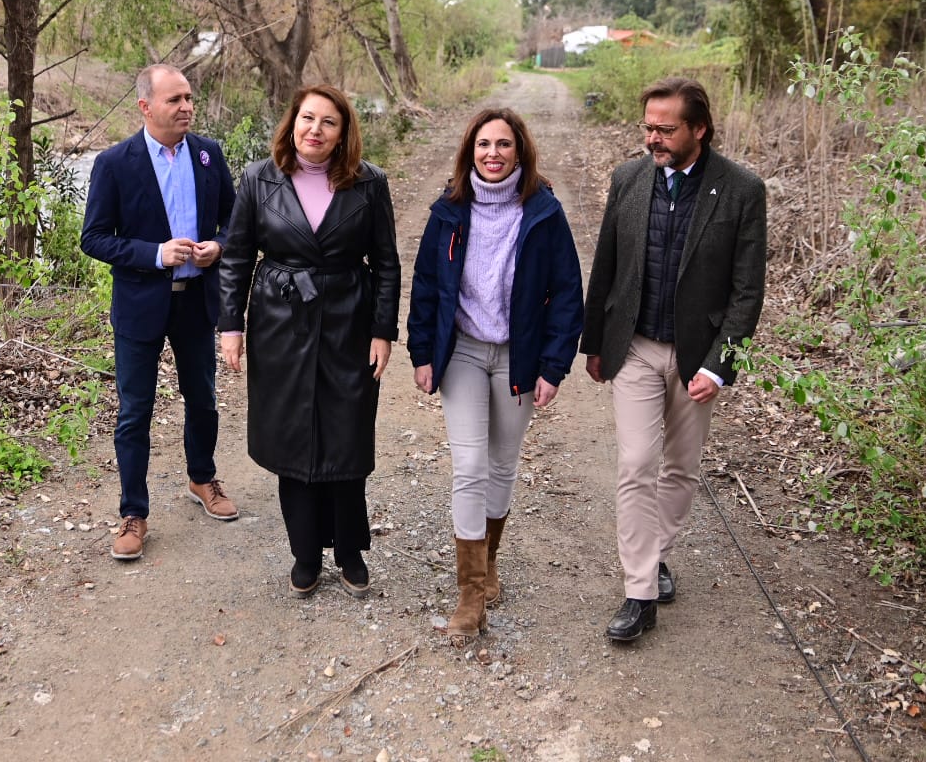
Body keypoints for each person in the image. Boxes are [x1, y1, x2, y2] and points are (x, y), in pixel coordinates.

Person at [582, 77, 766, 641]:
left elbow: (747, 290)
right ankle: (640, 593)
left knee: (680, 468)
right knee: (637, 463)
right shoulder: (628, 179)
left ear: (699, 130)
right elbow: (606, 265)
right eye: (648, 128)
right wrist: (594, 342)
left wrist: (719, 364)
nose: (653, 138)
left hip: (696, 359)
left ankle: (655, 553)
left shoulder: (741, 190)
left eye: (665, 129)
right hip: (635, 347)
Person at [407, 108, 584, 644]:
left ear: (520, 152)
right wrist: (421, 352)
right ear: (470, 151)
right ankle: (468, 597)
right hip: (461, 352)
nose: (492, 154)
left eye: (503, 145)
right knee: (469, 466)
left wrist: (554, 365)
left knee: (503, 464)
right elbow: (425, 286)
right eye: (484, 144)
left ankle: (488, 567)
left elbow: (568, 295)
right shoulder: (448, 211)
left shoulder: (544, 213)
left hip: (517, 357)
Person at [219, 85, 400, 598]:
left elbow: (386, 264)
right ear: (292, 122)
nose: (315, 130)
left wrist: (383, 330)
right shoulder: (258, 178)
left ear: (344, 134)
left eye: (328, 123)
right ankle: (304, 553)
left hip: (349, 320)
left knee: (346, 433)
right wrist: (231, 326)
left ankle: (348, 550)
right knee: (292, 433)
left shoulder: (369, 183)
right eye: (307, 119)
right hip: (281, 322)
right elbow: (235, 258)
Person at [80, 64, 239, 561]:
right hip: (140, 305)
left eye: (189, 97)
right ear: (146, 107)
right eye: (175, 100)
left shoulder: (210, 155)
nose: (186, 107)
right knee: (135, 413)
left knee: (204, 398)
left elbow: (236, 222)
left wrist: (219, 245)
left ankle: (202, 478)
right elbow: (94, 238)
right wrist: (155, 253)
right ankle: (134, 513)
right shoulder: (114, 163)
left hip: (196, 301)